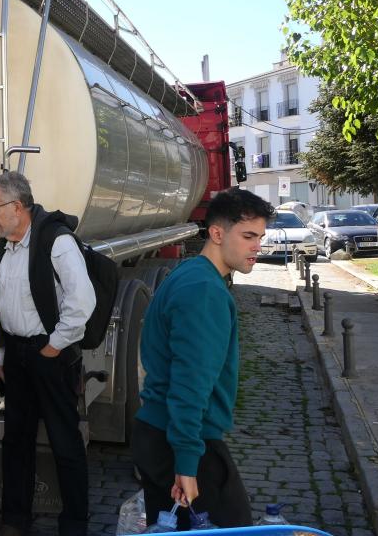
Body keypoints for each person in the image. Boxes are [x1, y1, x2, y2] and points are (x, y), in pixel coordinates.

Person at [132, 187, 274, 530]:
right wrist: (186, 463)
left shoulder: (192, 273)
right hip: (179, 441)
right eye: (248, 236)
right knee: (230, 524)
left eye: (261, 236)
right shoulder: (204, 291)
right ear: (216, 233)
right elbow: (190, 383)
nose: (257, 246)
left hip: (164, 434)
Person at [0, 171, 95, 536]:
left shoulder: (56, 241)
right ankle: (15, 520)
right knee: (15, 442)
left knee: (65, 442)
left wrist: (52, 347)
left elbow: (82, 302)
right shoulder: (2, 250)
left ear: (17, 207)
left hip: (50, 355)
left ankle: (75, 524)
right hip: (16, 357)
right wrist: (0, 356)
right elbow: (0, 308)